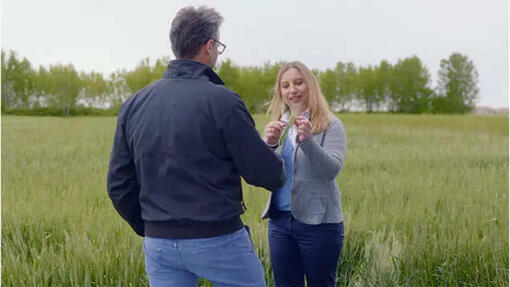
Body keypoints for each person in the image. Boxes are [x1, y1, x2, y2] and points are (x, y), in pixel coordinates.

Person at [107, 6, 285, 287]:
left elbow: (118, 184)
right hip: (219, 240)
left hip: (159, 245)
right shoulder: (223, 101)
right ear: (209, 46)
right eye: (218, 46)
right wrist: (276, 158)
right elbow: (266, 175)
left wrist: (152, 228)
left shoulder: (134, 104)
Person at [261, 61, 347, 287]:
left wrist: (307, 141)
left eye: (299, 83)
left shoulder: (330, 125)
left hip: (319, 225)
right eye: (285, 85)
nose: (292, 90)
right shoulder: (279, 125)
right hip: (280, 223)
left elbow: (330, 171)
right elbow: (263, 173)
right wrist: (268, 145)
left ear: (310, 86)